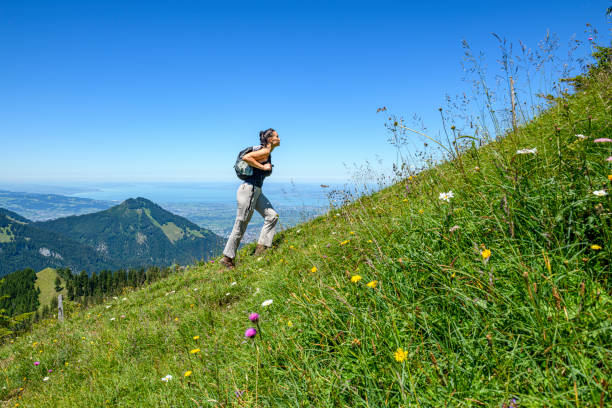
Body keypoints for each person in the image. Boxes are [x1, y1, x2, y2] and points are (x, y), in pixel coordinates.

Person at [220, 128, 281, 269]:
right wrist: (264, 168)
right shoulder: (265, 151)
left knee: (272, 216)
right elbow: (246, 158)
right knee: (241, 223)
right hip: (249, 190)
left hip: (255, 191)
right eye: (276, 136)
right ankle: (228, 258)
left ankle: (262, 249)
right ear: (270, 139)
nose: (279, 139)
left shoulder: (267, 152)